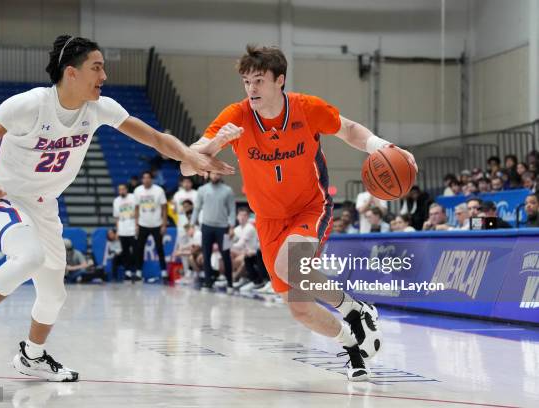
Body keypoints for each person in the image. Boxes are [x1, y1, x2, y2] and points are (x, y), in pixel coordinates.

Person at [0, 34, 233, 382]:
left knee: (54, 295)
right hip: (5, 198)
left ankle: (32, 356)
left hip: (45, 207)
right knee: (27, 257)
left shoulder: (100, 108)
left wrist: (192, 156)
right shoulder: (30, 104)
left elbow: (156, 139)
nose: (104, 76)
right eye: (97, 67)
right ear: (71, 72)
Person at [180, 45, 417, 381]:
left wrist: (382, 146)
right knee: (301, 308)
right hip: (268, 220)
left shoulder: (306, 109)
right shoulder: (236, 116)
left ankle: (356, 309)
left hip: (310, 208)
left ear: (280, 80)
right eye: (247, 82)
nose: (251, 89)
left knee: (291, 267)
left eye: (259, 81)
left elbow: (349, 130)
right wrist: (213, 146)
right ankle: (351, 343)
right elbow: (185, 165)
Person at [190, 172, 236, 292]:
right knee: (206, 254)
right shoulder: (202, 189)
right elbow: (196, 208)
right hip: (206, 226)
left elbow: (232, 210)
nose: (216, 176)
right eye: (214, 174)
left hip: (223, 227)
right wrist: (191, 225)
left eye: (218, 174)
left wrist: (231, 226)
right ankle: (208, 282)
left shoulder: (228, 190)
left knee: (225, 255)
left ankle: (230, 283)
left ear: (221, 175)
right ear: (210, 175)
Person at [134, 171, 169, 282]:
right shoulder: (137, 191)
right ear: (142, 180)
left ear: (151, 179)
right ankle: (138, 271)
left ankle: (164, 271)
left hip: (157, 224)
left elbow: (164, 208)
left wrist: (164, 224)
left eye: (148, 177)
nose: (146, 180)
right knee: (139, 249)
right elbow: (136, 209)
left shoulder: (159, 190)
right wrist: (136, 224)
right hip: (143, 224)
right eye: (144, 178)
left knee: (159, 248)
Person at [112, 184, 138, 281]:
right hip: (122, 230)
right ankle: (127, 271)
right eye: (120, 189)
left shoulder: (133, 198)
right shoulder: (116, 201)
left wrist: (136, 225)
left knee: (135, 251)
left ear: (126, 189)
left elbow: (137, 211)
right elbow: (117, 217)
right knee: (125, 251)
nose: (121, 191)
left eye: (123, 189)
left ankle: (135, 271)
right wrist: (118, 231)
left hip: (132, 228)